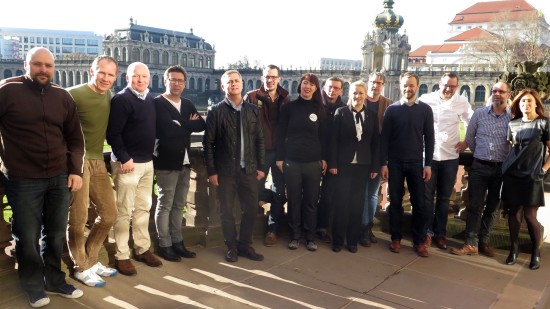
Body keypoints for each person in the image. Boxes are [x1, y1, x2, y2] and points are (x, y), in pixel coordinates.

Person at [0, 47, 85, 307]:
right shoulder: (7, 91)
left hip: (59, 177)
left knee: (57, 234)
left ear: (54, 67)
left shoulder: (62, 96)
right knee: (26, 236)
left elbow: (75, 137)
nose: (43, 70)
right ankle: (33, 286)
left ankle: (55, 281)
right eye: (37, 64)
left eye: (48, 65)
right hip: (23, 178)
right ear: (26, 64)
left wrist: (75, 170)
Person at [66, 55, 119, 287]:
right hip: (78, 162)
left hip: (99, 161)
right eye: (102, 73)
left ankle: (92, 259)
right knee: (77, 219)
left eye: (110, 74)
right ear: (91, 70)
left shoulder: (110, 96)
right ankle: (80, 266)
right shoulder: (73, 95)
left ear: (116, 77)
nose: (105, 78)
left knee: (109, 215)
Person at [203, 70, 265, 263]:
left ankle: (245, 245)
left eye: (237, 81)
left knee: (251, 210)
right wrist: (212, 171)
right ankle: (231, 246)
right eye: (229, 82)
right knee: (227, 211)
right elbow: (208, 144)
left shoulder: (254, 110)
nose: (233, 84)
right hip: (226, 171)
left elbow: (260, 141)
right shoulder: (216, 111)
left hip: (249, 169)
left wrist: (261, 166)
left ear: (242, 84)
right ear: (223, 87)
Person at [107, 62, 162, 276]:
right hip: (127, 164)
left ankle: (142, 248)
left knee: (142, 209)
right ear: (127, 78)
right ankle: (121, 255)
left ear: (149, 78)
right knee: (123, 211)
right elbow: (113, 134)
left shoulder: (149, 99)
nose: (140, 80)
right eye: (136, 76)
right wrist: (124, 158)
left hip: (147, 163)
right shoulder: (121, 99)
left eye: (144, 76)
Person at [451, 81, 512, 257]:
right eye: (494, 91)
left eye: (501, 91)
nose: (497, 94)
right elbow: (469, 138)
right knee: (475, 205)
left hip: (501, 169)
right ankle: (471, 243)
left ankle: (484, 241)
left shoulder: (513, 116)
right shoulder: (479, 114)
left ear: (508, 94)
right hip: (480, 166)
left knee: (493, 207)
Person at [153, 65, 205, 261]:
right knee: (165, 204)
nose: (176, 83)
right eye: (172, 80)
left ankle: (177, 241)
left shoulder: (188, 103)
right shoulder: (157, 103)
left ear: (185, 83)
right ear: (165, 81)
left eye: (180, 80)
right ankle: (164, 244)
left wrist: (180, 123)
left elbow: (201, 124)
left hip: (185, 162)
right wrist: (187, 124)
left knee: (179, 205)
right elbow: (167, 131)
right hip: (166, 160)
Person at [381, 72, 434, 257]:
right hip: (394, 163)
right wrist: (384, 163)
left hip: (416, 164)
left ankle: (419, 241)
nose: (407, 88)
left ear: (417, 86)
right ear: (400, 85)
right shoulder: (392, 110)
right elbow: (384, 139)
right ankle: (396, 238)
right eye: (405, 85)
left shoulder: (425, 110)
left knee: (419, 204)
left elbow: (429, 138)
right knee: (395, 202)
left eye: (411, 85)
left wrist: (428, 164)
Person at [419, 72, 473, 250]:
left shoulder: (462, 102)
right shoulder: (426, 99)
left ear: (457, 87)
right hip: (429, 156)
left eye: (452, 86)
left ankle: (440, 234)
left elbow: (471, 121)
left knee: (444, 198)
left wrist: (467, 141)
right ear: (439, 83)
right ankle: (426, 233)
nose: (448, 89)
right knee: (427, 198)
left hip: (450, 156)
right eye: (445, 85)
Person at [277, 73, 327, 251]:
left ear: (316, 88)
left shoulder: (320, 109)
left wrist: (324, 159)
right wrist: (280, 159)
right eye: (305, 83)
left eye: (312, 84)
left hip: (313, 163)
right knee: (294, 200)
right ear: (300, 86)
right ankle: (295, 235)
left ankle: (310, 236)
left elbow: (324, 137)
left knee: (311, 201)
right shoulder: (289, 108)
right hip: (292, 162)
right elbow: (281, 134)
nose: (308, 87)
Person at [328, 81, 379, 253]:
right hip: (343, 164)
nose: (357, 96)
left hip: (363, 165)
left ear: (366, 95)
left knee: (357, 205)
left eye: (361, 93)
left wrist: (374, 167)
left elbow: (375, 144)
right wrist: (333, 163)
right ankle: (337, 240)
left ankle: (352, 241)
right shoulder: (341, 112)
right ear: (349, 94)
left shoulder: (372, 115)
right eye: (354, 93)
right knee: (341, 203)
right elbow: (333, 140)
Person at [501, 89, 549, 270]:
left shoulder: (544, 123)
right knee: (513, 215)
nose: (525, 105)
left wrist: (542, 171)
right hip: (512, 175)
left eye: (529, 101)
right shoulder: (513, 124)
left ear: (536, 103)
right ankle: (513, 250)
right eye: (522, 102)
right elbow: (512, 149)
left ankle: (535, 253)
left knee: (530, 217)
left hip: (533, 176)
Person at [243, 65, 289, 247]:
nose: (270, 80)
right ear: (262, 78)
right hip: (257, 152)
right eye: (266, 77)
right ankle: (251, 229)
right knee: (255, 189)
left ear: (279, 78)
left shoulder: (286, 98)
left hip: (279, 152)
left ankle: (273, 229)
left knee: (279, 191)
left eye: (273, 77)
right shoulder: (252, 97)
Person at [359, 72, 393, 247]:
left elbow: (391, 135)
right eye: (373, 82)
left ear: (383, 85)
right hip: (360, 155)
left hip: (379, 155)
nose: (375, 86)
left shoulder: (389, 105)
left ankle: (367, 227)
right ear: (368, 83)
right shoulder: (358, 100)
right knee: (361, 194)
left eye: (379, 83)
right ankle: (360, 227)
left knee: (372, 194)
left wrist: (385, 161)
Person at [317, 77, 345, 243]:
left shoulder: (343, 109)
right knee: (309, 194)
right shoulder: (316, 105)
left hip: (334, 159)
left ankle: (322, 227)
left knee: (328, 195)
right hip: (314, 156)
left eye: (336, 88)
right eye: (329, 87)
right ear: (324, 88)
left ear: (341, 90)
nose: (332, 91)